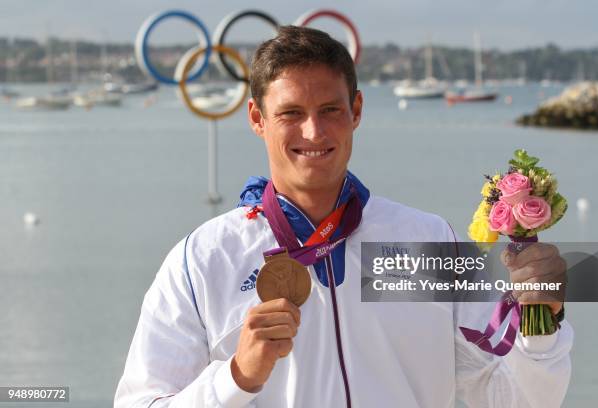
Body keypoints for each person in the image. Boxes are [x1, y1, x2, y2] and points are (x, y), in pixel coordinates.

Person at [115, 26, 572, 407]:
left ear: (355, 111)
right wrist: (236, 377)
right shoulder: (200, 261)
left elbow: (510, 397)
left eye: (330, 110)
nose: (313, 131)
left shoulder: (426, 240)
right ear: (257, 118)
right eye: (291, 113)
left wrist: (543, 325)